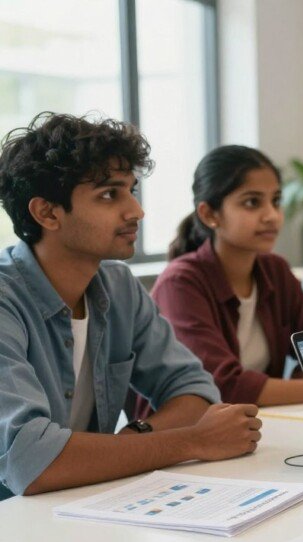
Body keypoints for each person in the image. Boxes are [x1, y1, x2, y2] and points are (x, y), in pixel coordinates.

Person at [0, 115, 260, 502]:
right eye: (109, 195)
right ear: (47, 213)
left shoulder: (118, 286)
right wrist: (192, 442)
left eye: (131, 191)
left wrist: (135, 438)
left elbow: (195, 391)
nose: (136, 212)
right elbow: (31, 460)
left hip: (86, 510)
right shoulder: (6, 301)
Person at [141, 145, 303, 412]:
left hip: (258, 424)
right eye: (252, 202)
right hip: (188, 438)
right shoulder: (180, 283)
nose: (272, 216)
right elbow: (225, 386)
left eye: (276, 201)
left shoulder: (274, 269)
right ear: (209, 214)